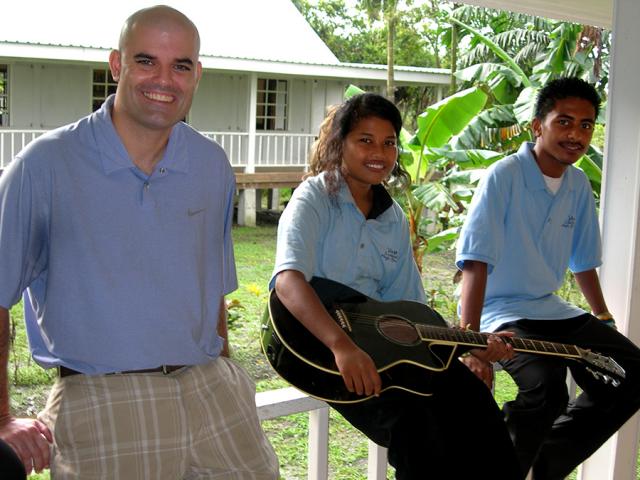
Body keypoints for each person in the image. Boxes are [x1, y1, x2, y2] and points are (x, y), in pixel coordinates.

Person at [0, 6, 279, 479]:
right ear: (116, 65)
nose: (164, 79)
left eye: (181, 65)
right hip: (105, 401)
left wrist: (228, 372)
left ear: (197, 75)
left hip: (213, 393)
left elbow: (210, 288)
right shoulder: (44, 165)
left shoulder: (211, 165)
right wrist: (3, 417)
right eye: (146, 60)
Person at [270, 92, 521, 479]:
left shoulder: (392, 217)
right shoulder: (314, 197)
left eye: (389, 142)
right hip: (316, 344)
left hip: (379, 347)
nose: (379, 152)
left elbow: (408, 309)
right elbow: (288, 280)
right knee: (416, 427)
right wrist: (342, 346)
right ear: (341, 144)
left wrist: (468, 348)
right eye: (365, 140)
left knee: (479, 410)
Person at [456, 77, 640, 479]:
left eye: (587, 125)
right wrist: (470, 341)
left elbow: (583, 260)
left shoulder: (576, 184)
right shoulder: (502, 176)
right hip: (501, 311)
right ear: (538, 126)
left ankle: (548, 461)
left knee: (633, 373)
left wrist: (603, 316)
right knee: (546, 389)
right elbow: (475, 261)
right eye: (565, 122)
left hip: (551, 308)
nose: (576, 134)